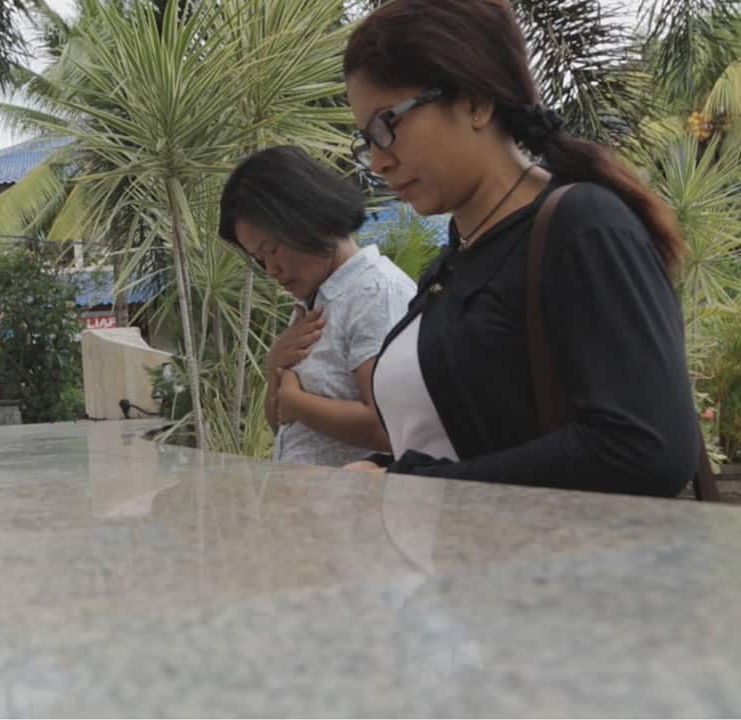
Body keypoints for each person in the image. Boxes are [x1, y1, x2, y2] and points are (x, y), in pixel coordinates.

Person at [341, 0, 697, 496]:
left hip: (558, 568)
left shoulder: (583, 227)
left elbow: (646, 448)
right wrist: (384, 470)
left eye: (387, 125)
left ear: (475, 103)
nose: (378, 161)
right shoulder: (458, 256)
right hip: (467, 567)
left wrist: (414, 486)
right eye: (366, 140)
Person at [219, 146, 416, 467]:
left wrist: (298, 402)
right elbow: (284, 426)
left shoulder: (374, 293)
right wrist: (275, 368)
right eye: (259, 259)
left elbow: (390, 427)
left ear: (307, 218)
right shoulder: (313, 304)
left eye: (272, 250)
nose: (271, 270)